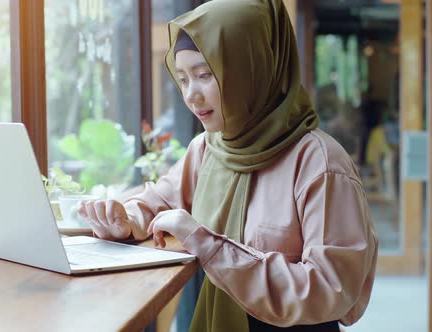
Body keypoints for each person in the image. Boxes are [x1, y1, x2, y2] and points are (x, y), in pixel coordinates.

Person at [79, 1, 378, 331]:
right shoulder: (209, 148)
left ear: (253, 70)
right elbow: (158, 201)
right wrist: (126, 220)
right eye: (183, 78)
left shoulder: (318, 162)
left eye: (205, 75)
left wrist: (211, 247)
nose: (191, 96)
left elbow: (330, 288)